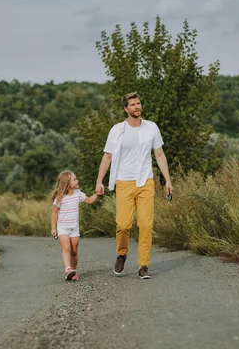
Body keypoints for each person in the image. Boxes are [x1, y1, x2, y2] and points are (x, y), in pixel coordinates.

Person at [95, 92, 172, 279]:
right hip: (123, 181)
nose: (137, 106)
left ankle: (143, 265)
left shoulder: (151, 128)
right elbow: (107, 156)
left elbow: (159, 155)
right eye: (133, 104)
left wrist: (167, 180)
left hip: (145, 181)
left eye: (139, 103)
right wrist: (99, 181)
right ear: (126, 109)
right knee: (123, 224)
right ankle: (122, 253)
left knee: (145, 224)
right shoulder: (117, 130)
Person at [50, 170, 100, 281]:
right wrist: (53, 228)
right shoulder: (60, 197)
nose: (77, 181)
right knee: (66, 248)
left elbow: (90, 200)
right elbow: (54, 213)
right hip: (63, 227)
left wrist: (97, 194)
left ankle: (73, 271)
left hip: (74, 228)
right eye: (74, 179)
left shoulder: (78, 194)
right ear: (67, 183)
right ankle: (67, 269)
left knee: (74, 250)